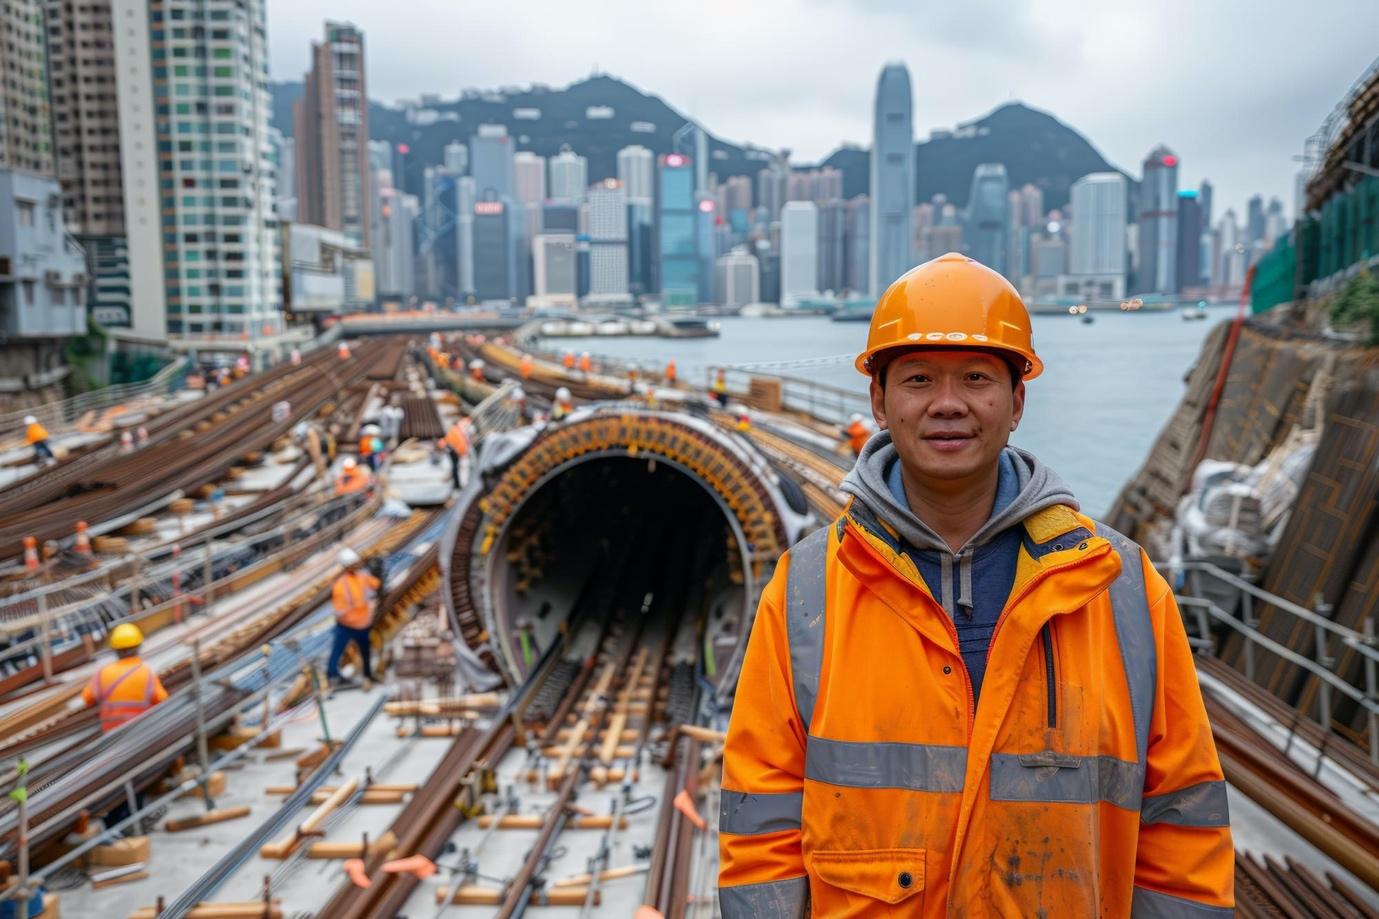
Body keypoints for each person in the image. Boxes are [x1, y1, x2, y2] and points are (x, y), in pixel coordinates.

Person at [718, 253, 1233, 918]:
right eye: (919, 378)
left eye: (976, 378)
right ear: (878, 400)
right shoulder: (806, 592)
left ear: (1016, 400)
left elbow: (1181, 820)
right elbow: (761, 820)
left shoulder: (1119, 587)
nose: (947, 403)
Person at [83, 623, 168, 732]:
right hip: (140, 730)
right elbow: (162, 700)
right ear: (138, 647)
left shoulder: (103, 673)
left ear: (115, 650)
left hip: (111, 734)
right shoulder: (145, 673)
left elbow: (87, 699)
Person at [328, 548, 379, 688]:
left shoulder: (341, 584)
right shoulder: (361, 577)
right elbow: (376, 584)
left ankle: (333, 675)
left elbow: (338, 610)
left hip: (348, 625)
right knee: (364, 651)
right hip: (360, 624)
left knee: (338, 650)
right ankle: (366, 675)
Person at [439, 417, 470, 489]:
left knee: (455, 466)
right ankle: (457, 484)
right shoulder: (455, 431)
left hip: (453, 450)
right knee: (456, 467)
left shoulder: (455, 430)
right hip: (453, 450)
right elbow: (451, 442)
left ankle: (456, 483)